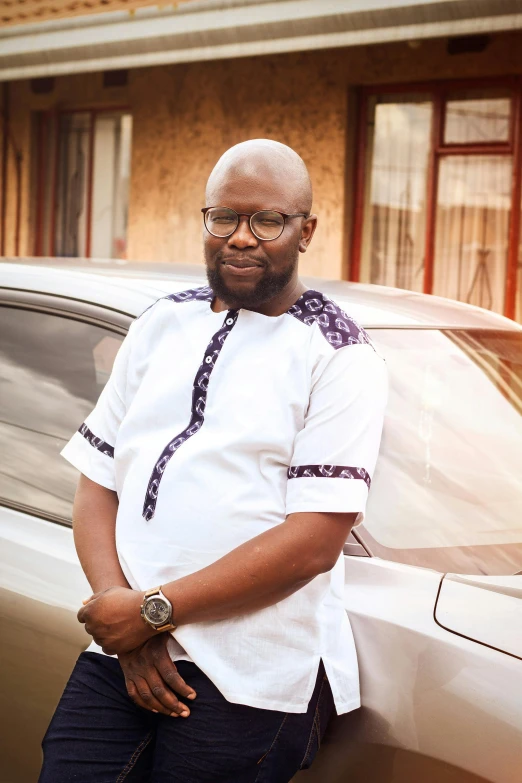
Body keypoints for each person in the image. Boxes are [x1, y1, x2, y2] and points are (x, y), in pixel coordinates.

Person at [39, 139, 387, 783]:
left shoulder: (339, 357)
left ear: (305, 231)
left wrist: (151, 614)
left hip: (247, 674)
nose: (242, 238)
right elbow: (98, 483)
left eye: (268, 221)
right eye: (224, 216)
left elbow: (312, 544)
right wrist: (125, 613)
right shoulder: (159, 325)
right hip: (120, 653)